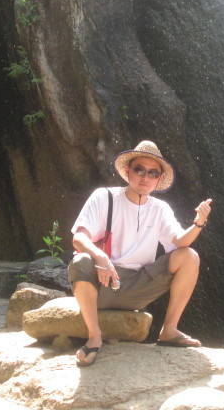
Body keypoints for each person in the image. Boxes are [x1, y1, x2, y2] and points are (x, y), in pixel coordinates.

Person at [67, 140, 212, 366]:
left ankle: (169, 330)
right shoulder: (104, 197)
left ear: (158, 179)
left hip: (139, 286)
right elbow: (79, 237)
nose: (146, 177)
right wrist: (100, 257)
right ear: (128, 171)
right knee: (81, 261)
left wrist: (199, 223)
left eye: (153, 173)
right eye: (140, 170)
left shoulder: (160, 209)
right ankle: (94, 337)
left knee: (189, 256)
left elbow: (180, 241)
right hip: (104, 281)